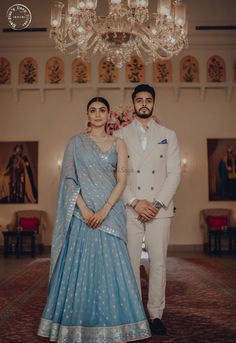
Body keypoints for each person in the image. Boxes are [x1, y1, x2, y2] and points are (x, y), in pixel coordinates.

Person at [38, 97, 151, 343]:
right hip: (82, 215)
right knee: (80, 269)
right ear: (87, 114)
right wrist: (86, 210)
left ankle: (118, 325)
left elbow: (122, 181)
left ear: (109, 114)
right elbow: (69, 178)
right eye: (93, 110)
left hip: (110, 215)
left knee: (113, 270)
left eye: (102, 110)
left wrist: (104, 210)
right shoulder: (76, 143)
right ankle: (76, 326)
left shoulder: (119, 144)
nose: (97, 114)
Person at [114, 84, 181, 335]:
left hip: (159, 209)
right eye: (139, 99)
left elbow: (174, 173)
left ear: (153, 103)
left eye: (148, 100)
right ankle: (133, 314)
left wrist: (155, 203)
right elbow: (119, 173)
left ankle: (155, 315)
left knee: (158, 263)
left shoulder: (169, 134)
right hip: (131, 208)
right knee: (130, 262)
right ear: (133, 103)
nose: (144, 103)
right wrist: (134, 202)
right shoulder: (120, 135)